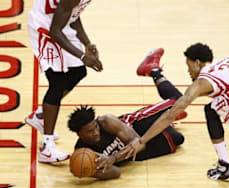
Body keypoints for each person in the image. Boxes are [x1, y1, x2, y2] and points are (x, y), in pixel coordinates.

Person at [122, 43, 229, 181]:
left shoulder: (202, 81)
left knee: (211, 110)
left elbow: (171, 114)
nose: (188, 71)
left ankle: (225, 164)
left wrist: (142, 140)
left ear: (198, 62)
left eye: (189, 65)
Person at [67, 50, 187, 179]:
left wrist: (113, 158)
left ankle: (153, 70)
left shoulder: (106, 121)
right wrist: (91, 170)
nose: (96, 132)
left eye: (95, 127)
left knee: (179, 101)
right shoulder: (83, 152)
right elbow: (116, 173)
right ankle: (166, 118)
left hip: (139, 125)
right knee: (178, 139)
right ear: (79, 134)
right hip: (135, 153)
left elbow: (138, 143)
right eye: (90, 131)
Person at [25, 0, 103, 163]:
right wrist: (82, 56)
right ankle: (47, 148)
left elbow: (73, 14)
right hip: (44, 26)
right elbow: (55, 31)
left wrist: (87, 43)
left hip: (58, 24)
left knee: (78, 72)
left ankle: (41, 115)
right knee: (58, 82)